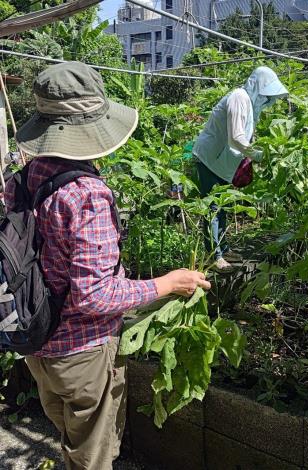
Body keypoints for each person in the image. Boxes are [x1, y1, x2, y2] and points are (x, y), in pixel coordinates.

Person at [5, 61, 211, 470]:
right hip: (82, 352)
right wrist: (168, 283)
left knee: (69, 430)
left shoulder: (25, 176)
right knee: (94, 456)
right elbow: (95, 295)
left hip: (35, 342)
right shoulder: (86, 195)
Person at [193, 66, 288, 272]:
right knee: (213, 209)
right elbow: (236, 137)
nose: (267, 100)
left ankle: (223, 249)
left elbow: (244, 137)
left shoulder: (249, 105)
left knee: (223, 207)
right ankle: (213, 256)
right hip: (210, 159)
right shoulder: (239, 97)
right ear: (257, 87)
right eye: (266, 95)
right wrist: (257, 154)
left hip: (222, 163)